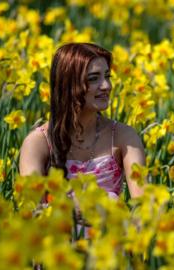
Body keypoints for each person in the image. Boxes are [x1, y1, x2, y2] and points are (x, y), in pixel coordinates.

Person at [19, 43, 145, 200]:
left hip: (110, 224)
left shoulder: (123, 137)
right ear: (68, 84)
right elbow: (31, 208)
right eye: (93, 79)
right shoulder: (38, 143)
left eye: (107, 76)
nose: (107, 86)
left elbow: (143, 205)